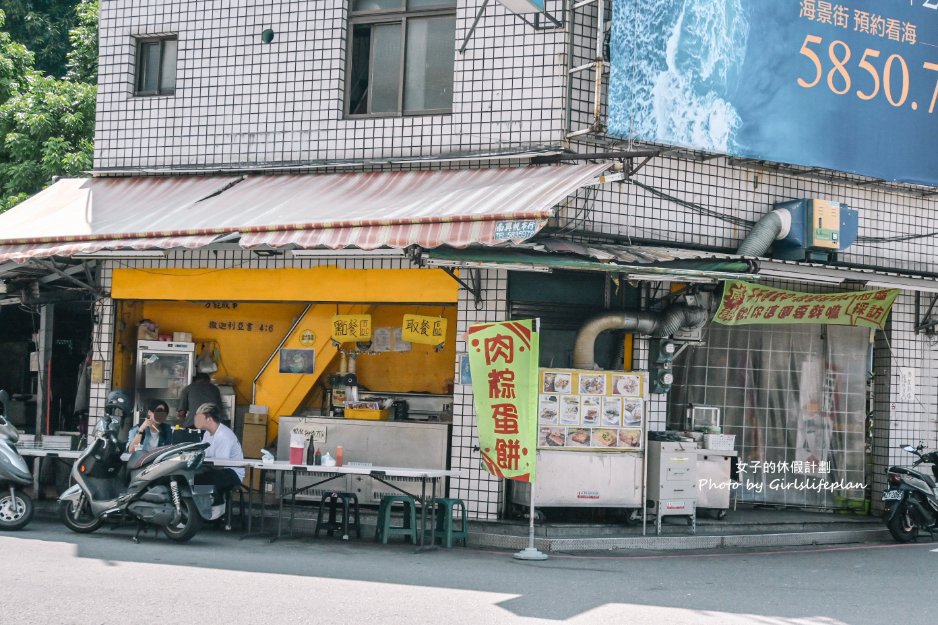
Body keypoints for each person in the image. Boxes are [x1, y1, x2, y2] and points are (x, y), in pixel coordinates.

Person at [193, 402, 244, 507]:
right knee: (191, 480)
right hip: (217, 470)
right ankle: (205, 505)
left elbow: (220, 465)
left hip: (232, 474)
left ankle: (216, 502)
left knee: (198, 482)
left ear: (209, 419)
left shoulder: (223, 435)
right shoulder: (207, 433)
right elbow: (202, 453)